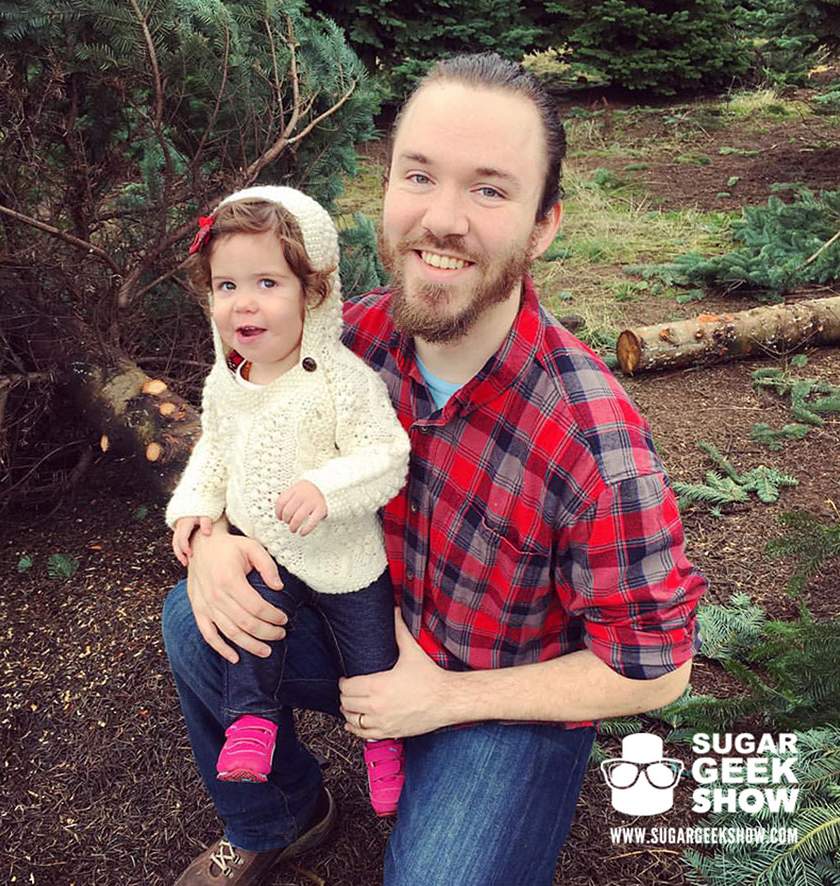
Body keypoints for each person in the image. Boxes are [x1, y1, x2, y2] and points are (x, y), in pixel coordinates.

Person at [163, 53, 706, 886]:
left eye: (489, 189)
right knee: (196, 621)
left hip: (496, 701)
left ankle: (448, 771)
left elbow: (658, 668)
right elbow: (244, 436)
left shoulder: (593, 448)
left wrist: (442, 702)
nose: (441, 219)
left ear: (543, 225)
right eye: (419, 175)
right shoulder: (343, 344)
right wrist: (210, 540)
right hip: (363, 630)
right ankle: (284, 817)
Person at [165, 186, 411, 819]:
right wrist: (196, 505)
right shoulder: (227, 379)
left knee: (370, 657)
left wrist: (327, 488)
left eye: (268, 282)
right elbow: (216, 449)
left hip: (343, 558)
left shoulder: (339, 380)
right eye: (226, 286)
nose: (244, 303)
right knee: (249, 630)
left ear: (315, 292)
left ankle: (383, 747)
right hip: (267, 551)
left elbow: (386, 455)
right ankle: (253, 721)